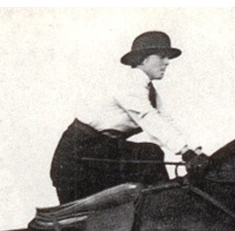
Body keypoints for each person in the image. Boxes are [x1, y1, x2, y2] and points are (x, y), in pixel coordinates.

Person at [49, 31, 211, 204]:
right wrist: (185, 152)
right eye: (162, 56)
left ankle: (164, 204)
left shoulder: (148, 90)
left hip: (101, 151)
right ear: (144, 59)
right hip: (77, 159)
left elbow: (165, 120)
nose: (167, 62)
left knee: (149, 155)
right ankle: (167, 206)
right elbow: (148, 118)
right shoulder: (129, 82)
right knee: (149, 155)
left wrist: (194, 150)